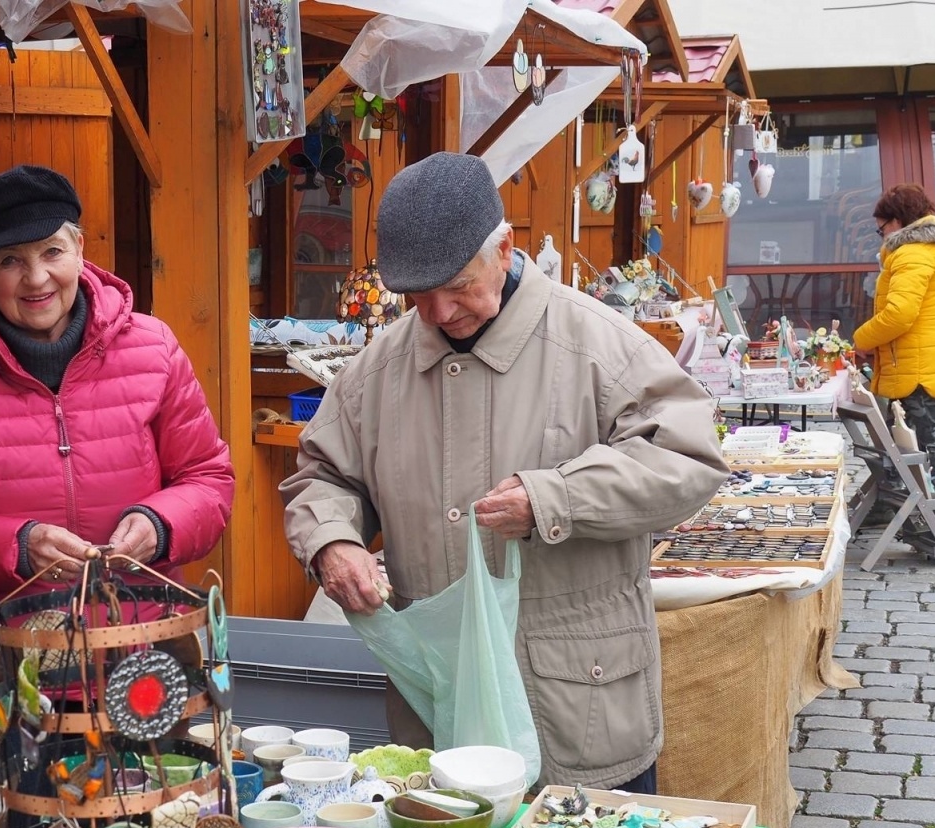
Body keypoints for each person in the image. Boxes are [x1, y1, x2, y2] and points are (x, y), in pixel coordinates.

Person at [280, 152, 728, 793]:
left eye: (457, 286)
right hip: (440, 711)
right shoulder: (376, 372)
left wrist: (555, 499)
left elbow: (687, 457)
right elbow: (324, 476)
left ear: (505, 249)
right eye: (417, 296)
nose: (438, 312)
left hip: (575, 704)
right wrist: (332, 541)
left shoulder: (599, 343)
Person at [0, 165, 234, 828]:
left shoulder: (152, 350)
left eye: (52, 252)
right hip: (8, 679)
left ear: (80, 249)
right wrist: (16, 545)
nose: (37, 278)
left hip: (142, 667)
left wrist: (159, 522)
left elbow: (209, 480)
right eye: (10, 261)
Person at [853, 183, 935, 487]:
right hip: (930, 358)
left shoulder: (913, 254)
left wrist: (862, 339)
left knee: (919, 437)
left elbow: (899, 314)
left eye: (881, 229)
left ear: (896, 221)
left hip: (918, 365)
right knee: (919, 435)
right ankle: (917, 499)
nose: (882, 236)